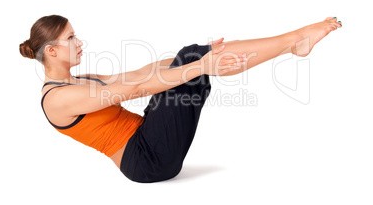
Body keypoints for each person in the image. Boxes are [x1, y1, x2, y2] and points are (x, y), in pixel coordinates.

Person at [19, 15, 342, 183]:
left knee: (190, 56)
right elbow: (135, 91)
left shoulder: (81, 80)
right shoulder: (58, 99)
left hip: (149, 141)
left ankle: (291, 44)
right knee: (195, 64)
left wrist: (197, 57)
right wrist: (199, 65)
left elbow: (140, 73)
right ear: (52, 50)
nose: (80, 42)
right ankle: (293, 41)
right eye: (71, 37)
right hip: (146, 161)